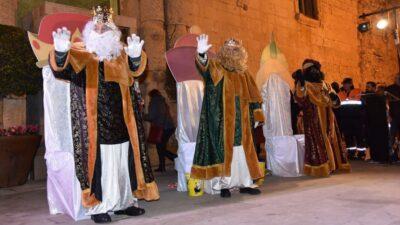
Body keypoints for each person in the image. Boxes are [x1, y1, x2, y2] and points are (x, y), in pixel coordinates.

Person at [49, 6, 159, 223]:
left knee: (123, 165)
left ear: (113, 33)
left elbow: (136, 70)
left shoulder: (120, 57)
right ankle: (99, 207)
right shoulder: (82, 55)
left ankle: (124, 203)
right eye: (96, 27)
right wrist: (61, 52)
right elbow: (63, 71)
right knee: (101, 168)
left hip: (123, 125)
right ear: (89, 31)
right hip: (95, 127)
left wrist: (136, 56)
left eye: (105, 27)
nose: (100, 31)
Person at [191, 35, 264, 198]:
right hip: (223, 121)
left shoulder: (244, 72)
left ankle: (245, 183)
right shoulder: (217, 67)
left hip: (243, 120)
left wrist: (257, 114)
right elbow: (205, 70)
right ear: (223, 52)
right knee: (224, 150)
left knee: (243, 152)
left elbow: (254, 95)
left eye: (235, 49)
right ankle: (223, 185)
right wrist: (201, 55)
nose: (232, 52)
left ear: (240, 52)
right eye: (229, 49)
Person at [294, 59, 351, 177]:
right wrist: (300, 83)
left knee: (330, 139)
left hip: (325, 116)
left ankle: (331, 165)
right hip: (315, 116)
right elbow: (300, 99)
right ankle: (326, 167)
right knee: (320, 140)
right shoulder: (306, 84)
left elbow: (336, 103)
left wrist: (334, 97)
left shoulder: (325, 84)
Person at [145, 89, 176, 172]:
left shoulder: (154, 102)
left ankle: (176, 159)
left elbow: (152, 116)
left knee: (161, 148)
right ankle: (162, 166)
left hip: (162, 128)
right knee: (161, 147)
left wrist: (143, 116)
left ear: (151, 95)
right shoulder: (162, 101)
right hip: (169, 127)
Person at [337, 78, 367, 160]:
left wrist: (362, 116)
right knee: (348, 137)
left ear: (350, 84)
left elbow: (364, 105)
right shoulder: (340, 94)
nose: (344, 85)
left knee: (359, 136)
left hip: (357, 119)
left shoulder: (358, 92)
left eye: (346, 84)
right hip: (345, 119)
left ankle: (361, 154)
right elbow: (337, 107)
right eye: (343, 84)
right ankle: (351, 153)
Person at [363, 84, 390, 163]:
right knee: (374, 141)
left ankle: (382, 158)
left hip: (381, 124)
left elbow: (385, 111)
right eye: (377, 90)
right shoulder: (372, 98)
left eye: (379, 90)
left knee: (381, 142)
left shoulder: (382, 99)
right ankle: (375, 157)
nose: (377, 91)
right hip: (373, 123)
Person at [386, 74, 400, 161]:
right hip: (394, 117)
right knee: (392, 136)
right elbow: (386, 102)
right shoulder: (390, 88)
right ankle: (393, 156)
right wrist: (388, 115)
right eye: (397, 78)